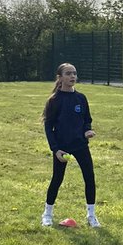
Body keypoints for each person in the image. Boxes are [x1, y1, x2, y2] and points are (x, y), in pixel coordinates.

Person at [41, 63, 100, 228]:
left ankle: (91, 215)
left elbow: (87, 119)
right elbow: (48, 126)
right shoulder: (54, 100)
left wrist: (87, 130)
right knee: (57, 179)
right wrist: (55, 149)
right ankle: (47, 214)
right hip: (62, 147)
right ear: (60, 78)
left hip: (80, 145)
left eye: (74, 73)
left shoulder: (81, 98)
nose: (72, 76)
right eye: (68, 74)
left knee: (89, 178)